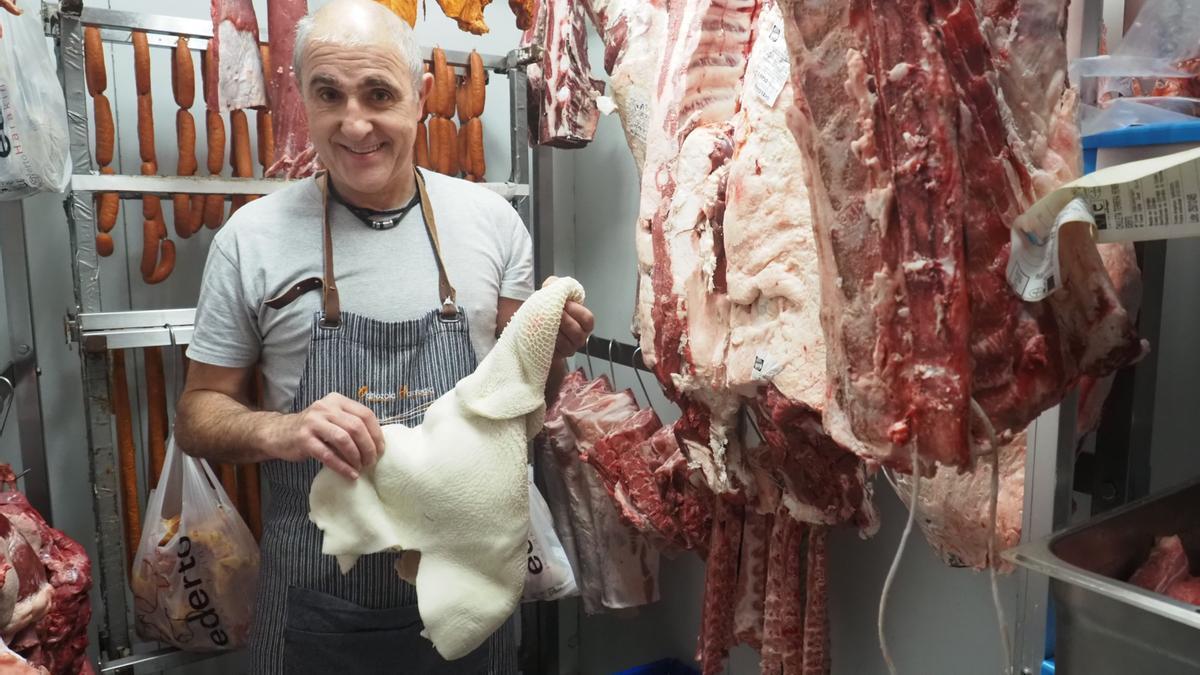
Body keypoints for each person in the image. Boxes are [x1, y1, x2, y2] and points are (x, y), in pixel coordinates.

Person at [174, 1, 594, 672]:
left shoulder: (492, 225)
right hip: (319, 604)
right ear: (301, 98)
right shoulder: (249, 241)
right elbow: (196, 415)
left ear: (420, 96)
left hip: (469, 595)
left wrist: (555, 352)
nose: (355, 123)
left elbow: (525, 413)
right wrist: (282, 431)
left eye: (378, 94)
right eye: (329, 95)